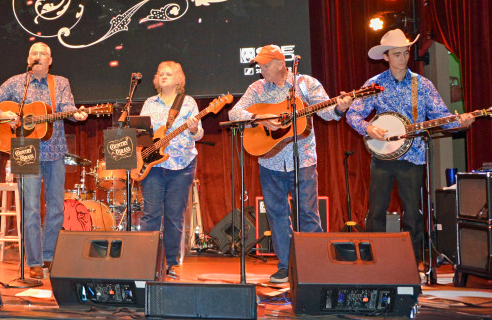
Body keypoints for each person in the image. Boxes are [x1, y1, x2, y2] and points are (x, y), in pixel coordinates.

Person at [228, 45, 353, 283]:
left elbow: (326, 113)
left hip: (302, 160)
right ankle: (285, 265)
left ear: (279, 64)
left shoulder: (305, 84)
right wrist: (260, 118)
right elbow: (235, 113)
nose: (261, 70)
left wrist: (340, 106)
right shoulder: (256, 88)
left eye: (265, 66)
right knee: (276, 215)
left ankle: (314, 266)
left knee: (307, 213)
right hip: (270, 162)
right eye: (260, 66)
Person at [346, 29, 474, 259]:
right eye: (397, 54)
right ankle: (373, 260)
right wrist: (369, 128)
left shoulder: (421, 84)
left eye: (405, 53)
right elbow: (353, 114)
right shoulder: (374, 85)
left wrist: (460, 123)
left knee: (413, 214)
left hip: (413, 155)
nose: (403, 58)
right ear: (385, 57)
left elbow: (441, 116)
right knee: (376, 211)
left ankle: (412, 262)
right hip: (382, 157)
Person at [0, 42, 88, 280]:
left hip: (55, 150)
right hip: (24, 149)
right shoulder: (16, 82)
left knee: (55, 207)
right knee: (30, 208)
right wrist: (2, 115)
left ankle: (49, 255)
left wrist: (77, 114)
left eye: (43, 54)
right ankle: (34, 261)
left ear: (50, 60)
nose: (38, 56)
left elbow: (67, 107)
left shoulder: (60, 83)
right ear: (28, 59)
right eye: (34, 53)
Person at [139, 61, 203, 279]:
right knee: (150, 215)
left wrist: (194, 129)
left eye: (168, 74)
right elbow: (141, 133)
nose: (163, 77)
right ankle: (146, 262)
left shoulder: (188, 103)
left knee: (174, 216)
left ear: (178, 79)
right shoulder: (149, 103)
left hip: (181, 166)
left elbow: (199, 134)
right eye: (160, 74)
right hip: (154, 167)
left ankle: (171, 263)